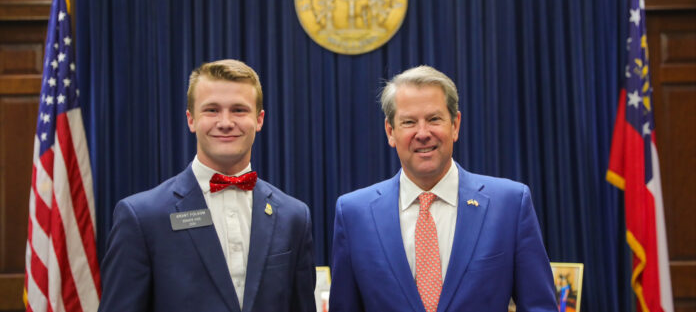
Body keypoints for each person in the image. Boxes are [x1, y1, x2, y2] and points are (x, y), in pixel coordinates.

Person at [329, 65, 557, 312]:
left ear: (455, 125)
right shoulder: (354, 214)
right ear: (390, 132)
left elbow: (539, 307)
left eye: (434, 119)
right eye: (408, 122)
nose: (423, 133)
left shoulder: (510, 205)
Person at [99, 59, 316, 312]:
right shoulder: (141, 217)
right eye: (212, 110)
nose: (225, 122)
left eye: (239, 110)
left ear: (259, 119)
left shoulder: (293, 216)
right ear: (191, 120)